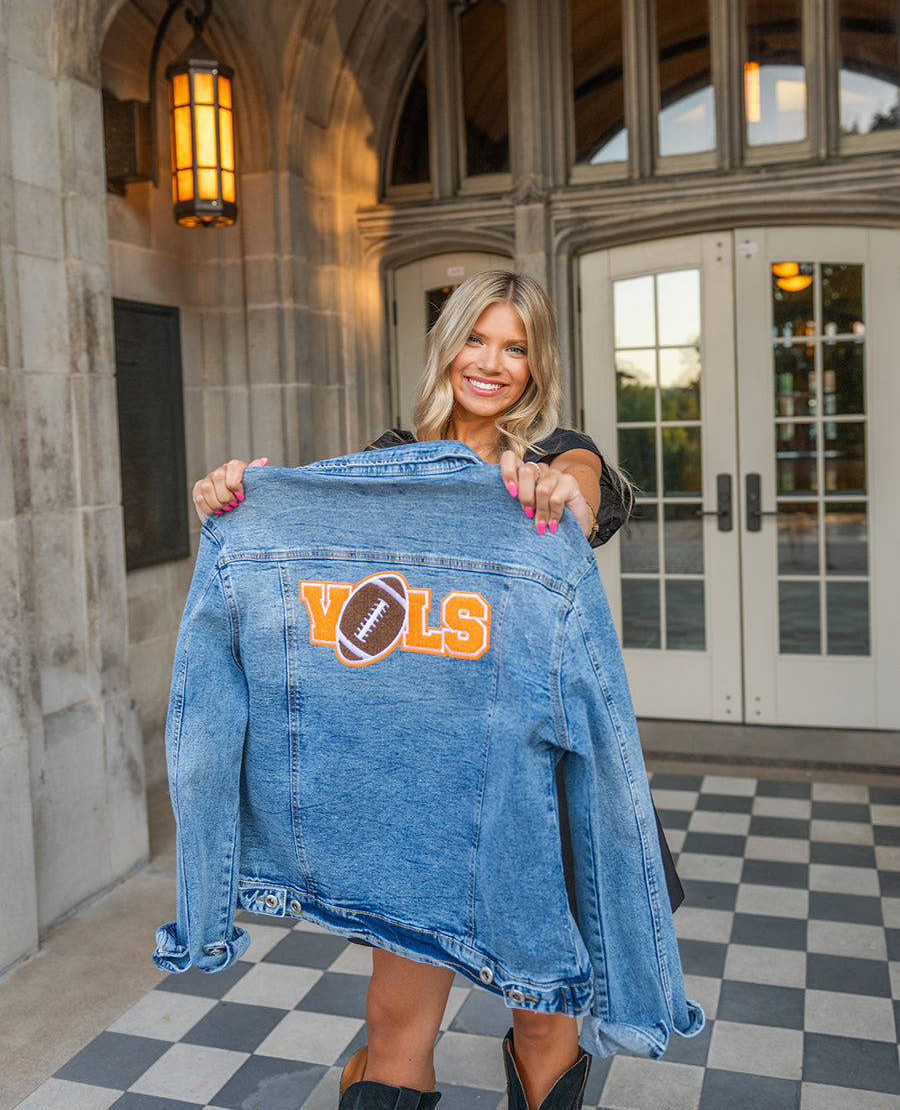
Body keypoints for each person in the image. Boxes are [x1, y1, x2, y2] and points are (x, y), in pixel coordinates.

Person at [188, 272, 648, 1110]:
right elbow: (308, 578)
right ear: (447, 346)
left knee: (544, 1018)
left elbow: (587, 491)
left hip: (529, 778)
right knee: (398, 1021)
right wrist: (233, 503)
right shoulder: (379, 466)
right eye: (477, 337)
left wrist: (559, 490)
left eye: (516, 348)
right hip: (415, 779)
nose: (492, 362)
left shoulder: (552, 456)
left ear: (536, 368)